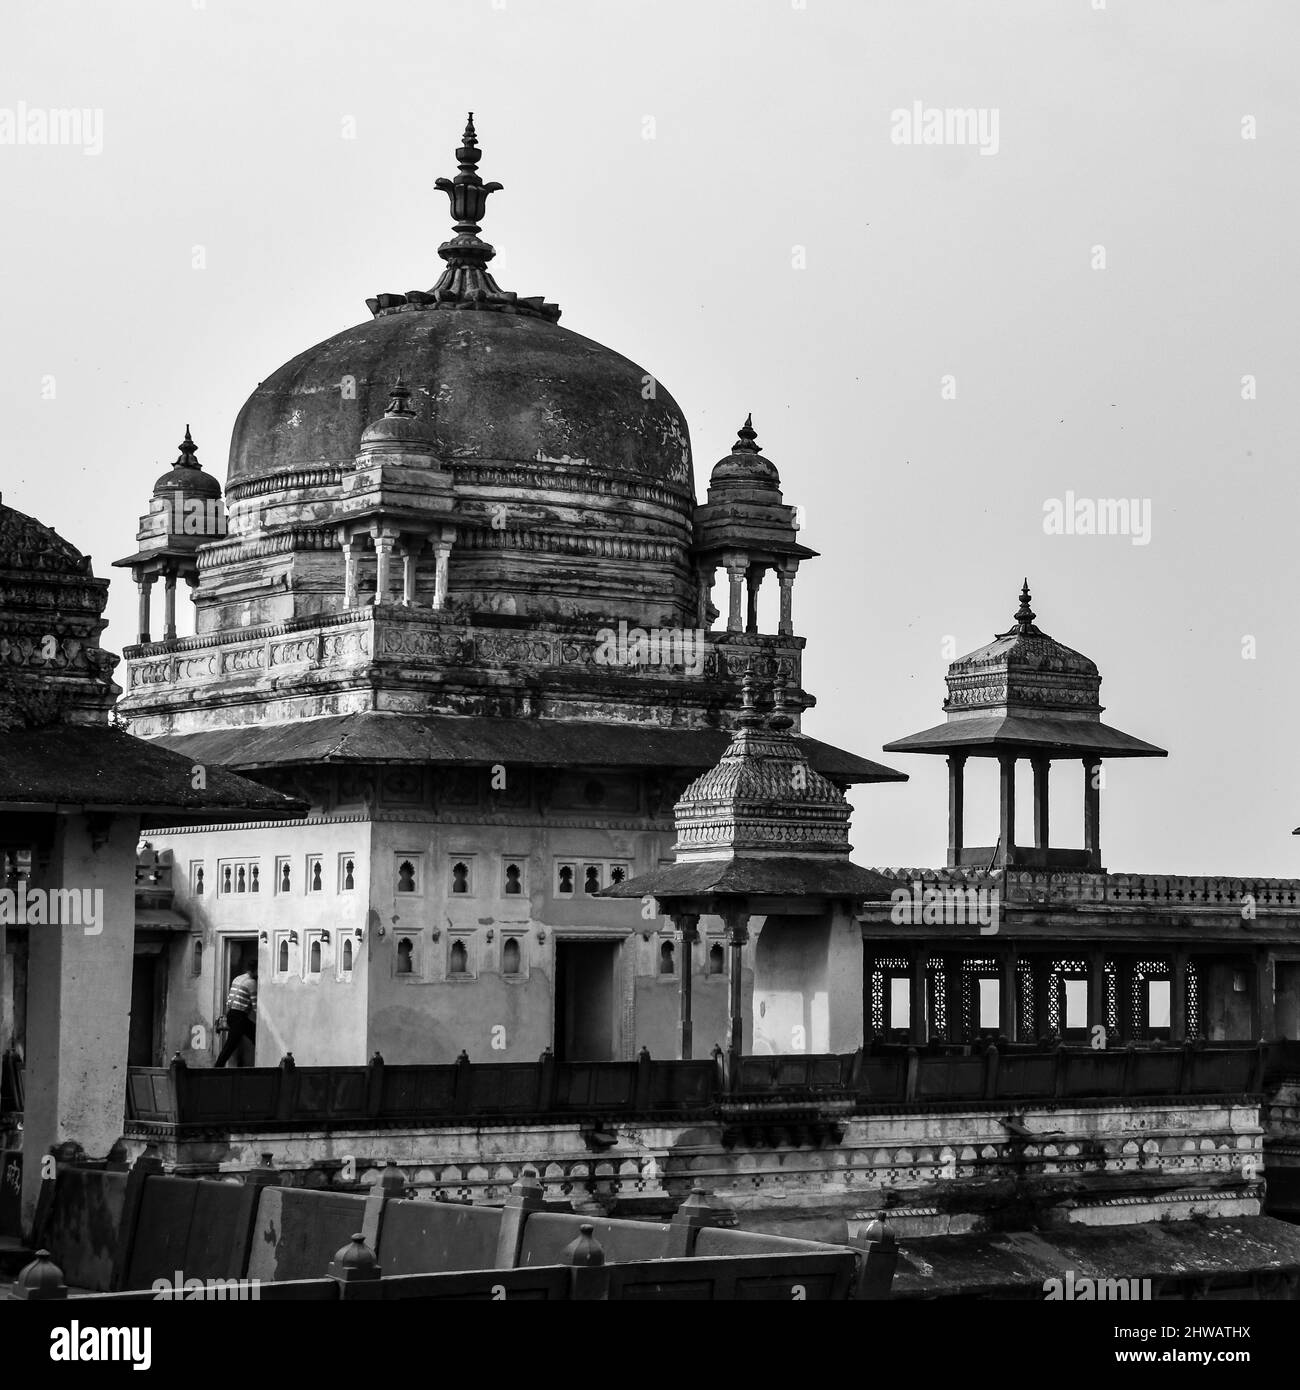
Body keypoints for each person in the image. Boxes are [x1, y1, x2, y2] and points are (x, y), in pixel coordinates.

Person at [214, 962, 257, 1068]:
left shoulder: (237, 978)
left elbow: (229, 1001)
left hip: (232, 1014)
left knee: (255, 1037)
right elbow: (256, 1006)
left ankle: (217, 1067)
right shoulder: (252, 983)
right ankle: (216, 1068)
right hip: (239, 1017)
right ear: (255, 970)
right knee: (231, 1045)